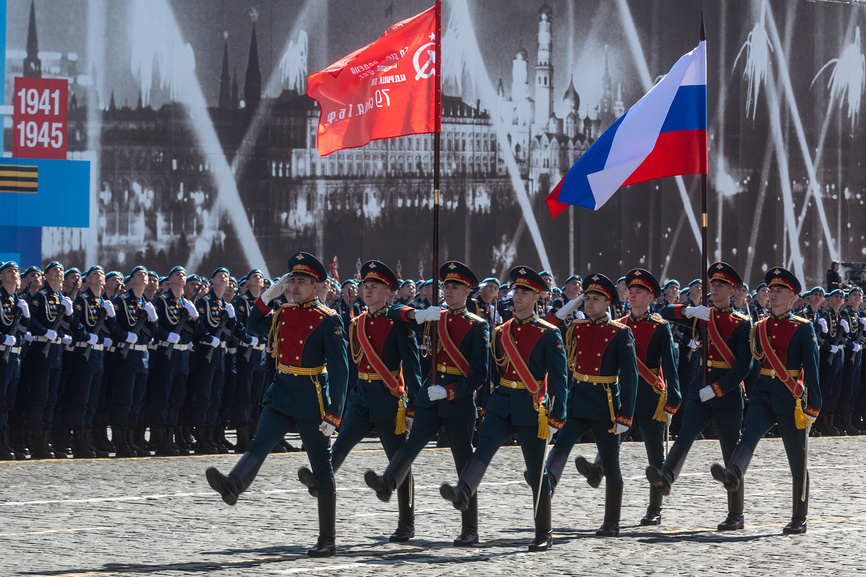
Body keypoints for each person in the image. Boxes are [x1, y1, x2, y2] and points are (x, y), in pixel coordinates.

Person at [205, 252, 348, 557]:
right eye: (292, 281)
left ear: (316, 285)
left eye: (302, 282)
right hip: (282, 391)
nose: (295, 287)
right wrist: (267, 296)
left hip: (311, 398)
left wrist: (335, 413)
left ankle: (327, 539)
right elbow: (254, 324)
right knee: (261, 441)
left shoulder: (328, 319)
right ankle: (233, 485)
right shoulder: (282, 313)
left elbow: (340, 370)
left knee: (322, 467)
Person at [440, 265, 567, 551]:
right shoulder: (501, 331)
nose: (517, 295)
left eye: (524, 291)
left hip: (530, 405)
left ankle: (543, 531)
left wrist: (558, 416)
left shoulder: (549, 334)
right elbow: (492, 375)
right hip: (500, 403)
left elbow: (560, 382)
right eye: (515, 290)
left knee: (536, 470)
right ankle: (464, 489)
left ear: (537, 296)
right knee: (483, 449)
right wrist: (484, 407)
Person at [364, 261, 489, 547]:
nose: (448, 291)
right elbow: (395, 312)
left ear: (468, 291)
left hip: (456, 401)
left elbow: (480, 374)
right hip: (429, 398)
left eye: (455, 287)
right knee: (410, 446)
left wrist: (451, 392)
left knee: (463, 463)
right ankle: (388, 483)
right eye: (445, 286)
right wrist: (420, 314)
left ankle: (470, 528)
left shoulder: (477, 326)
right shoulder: (433, 317)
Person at [297, 260, 422, 541]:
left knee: (398, 461)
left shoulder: (398, 323)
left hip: (390, 399)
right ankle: (320, 480)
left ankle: (406, 522)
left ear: (387, 290)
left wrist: (413, 405)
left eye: (374, 286)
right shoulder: (356, 323)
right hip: (361, 397)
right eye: (365, 285)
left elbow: (413, 368)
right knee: (340, 446)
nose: (367, 290)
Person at [710, 267, 820, 534]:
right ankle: (733, 473)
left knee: (797, 458)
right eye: (770, 290)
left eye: (779, 290)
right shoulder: (759, 326)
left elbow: (813, 370)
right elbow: (752, 361)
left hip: (790, 396)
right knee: (748, 435)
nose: (773, 294)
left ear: (793, 296)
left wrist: (813, 406)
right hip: (763, 392)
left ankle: (799, 516)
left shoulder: (803, 328)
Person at [646, 262, 753, 530]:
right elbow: (664, 311)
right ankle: (667, 476)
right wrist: (690, 310)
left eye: (720, 286)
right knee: (685, 436)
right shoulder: (700, 314)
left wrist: (717, 389)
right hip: (699, 385)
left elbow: (744, 365)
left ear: (733, 290)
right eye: (712, 285)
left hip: (725, 391)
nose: (714, 289)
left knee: (730, 452)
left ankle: (735, 514)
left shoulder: (742, 323)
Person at [574, 268, 681, 525]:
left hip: (651, 395)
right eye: (630, 291)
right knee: (614, 439)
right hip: (622, 396)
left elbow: (670, 365)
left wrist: (673, 400)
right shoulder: (618, 326)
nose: (632, 295)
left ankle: (654, 508)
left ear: (651, 297)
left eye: (639, 291)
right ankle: (598, 469)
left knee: (655, 455)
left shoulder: (660, 327)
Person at [539, 273, 637, 537]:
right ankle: (546, 488)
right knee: (559, 447)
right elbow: (548, 324)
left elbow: (630, 379)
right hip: (578, 400)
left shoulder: (620, 332)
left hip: (605, 404)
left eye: (595, 299)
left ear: (608, 303)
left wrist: (625, 415)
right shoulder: (576, 328)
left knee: (610, 463)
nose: (589, 303)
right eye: (587, 298)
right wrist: (570, 305)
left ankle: (611, 522)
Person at [0, 261, 29, 460]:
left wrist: (26, 315)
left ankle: (6, 441)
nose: (14, 273)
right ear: (1, 276)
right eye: (9, 270)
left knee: (9, 402)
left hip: (15, 356)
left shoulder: (17, 300)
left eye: (16, 270)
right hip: (2, 355)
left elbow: (24, 329)